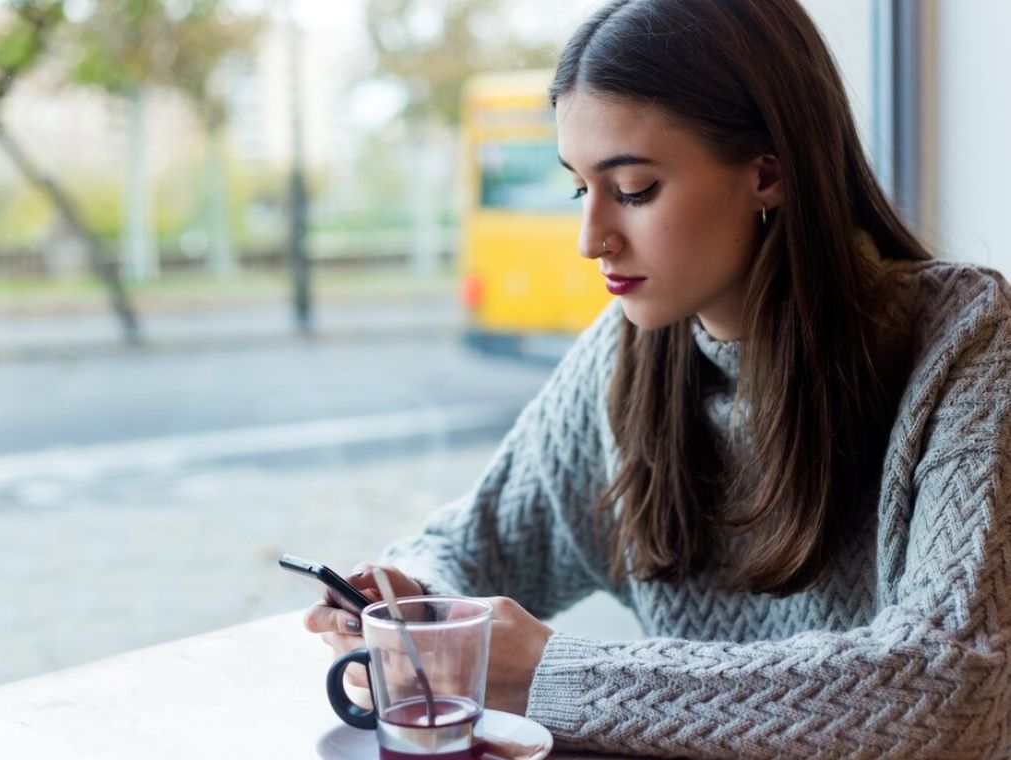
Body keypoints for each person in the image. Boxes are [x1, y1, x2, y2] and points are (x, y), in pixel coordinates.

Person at [305, 0, 1011, 756]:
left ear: (767, 172)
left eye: (634, 188)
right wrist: (412, 593)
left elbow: (954, 689)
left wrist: (556, 675)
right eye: (581, 188)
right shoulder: (622, 359)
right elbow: (468, 546)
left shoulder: (966, 346)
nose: (590, 239)